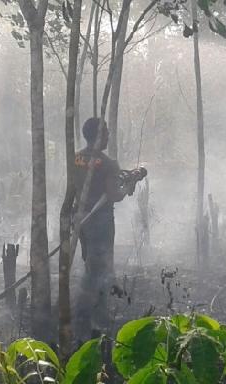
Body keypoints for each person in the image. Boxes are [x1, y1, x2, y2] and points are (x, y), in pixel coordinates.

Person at [73, 117, 133, 338]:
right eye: (105, 132)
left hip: (80, 219)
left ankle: (85, 313)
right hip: (100, 220)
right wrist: (127, 187)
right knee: (101, 267)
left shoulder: (76, 158)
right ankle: (92, 316)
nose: (108, 135)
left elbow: (73, 189)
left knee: (91, 263)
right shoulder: (107, 163)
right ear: (98, 135)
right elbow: (114, 195)